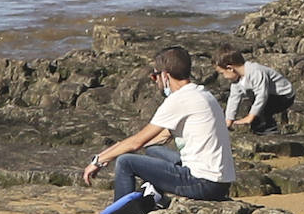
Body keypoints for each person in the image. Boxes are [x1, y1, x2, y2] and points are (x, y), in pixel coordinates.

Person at [82, 46, 236, 203]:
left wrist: (98, 161)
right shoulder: (202, 93)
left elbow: (136, 142)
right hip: (220, 181)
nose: (154, 81)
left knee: (126, 162)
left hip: (203, 183)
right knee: (153, 151)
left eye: (155, 76)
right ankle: (154, 197)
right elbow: (159, 137)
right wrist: (113, 151)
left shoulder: (179, 100)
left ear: (165, 76)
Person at [214, 45, 295, 135]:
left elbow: (262, 96)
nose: (223, 77)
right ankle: (259, 129)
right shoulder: (236, 80)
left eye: (222, 73)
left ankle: (269, 130)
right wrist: (229, 120)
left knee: (260, 108)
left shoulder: (255, 72)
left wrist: (250, 117)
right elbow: (233, 98)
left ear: (230, 68)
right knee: (255, 108)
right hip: (269, 94)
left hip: (284, 95)